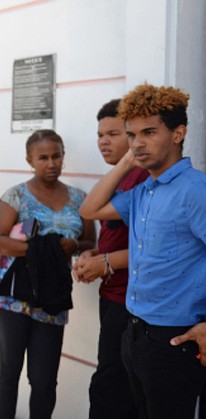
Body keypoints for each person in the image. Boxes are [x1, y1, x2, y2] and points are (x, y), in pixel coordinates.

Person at [80, 83, 206, 419]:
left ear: (178, 133)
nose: (138, 143)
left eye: (149, 132)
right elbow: (90, 210)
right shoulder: (144, 190)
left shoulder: (196, 190)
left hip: (175, 338)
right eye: (132, 135)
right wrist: (124, 164)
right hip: (135, 331)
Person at [0, 129, 95, 419]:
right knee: (9, 369)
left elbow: (90, 243)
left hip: (52, 295)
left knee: (45, 379)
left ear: (63, 156)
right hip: (10, 294)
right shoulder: (16, 196)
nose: (51, 163)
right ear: (29, 160)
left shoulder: (80, 199)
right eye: (43, 157)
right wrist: (45, 249)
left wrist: (73, 246)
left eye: (56, 156)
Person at [73, 99, 148, 419]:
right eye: (100, 134)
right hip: (113, 295)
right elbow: (91, 212)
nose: (104, 141)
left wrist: (106, 262)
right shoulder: (122, 178)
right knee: (110, 383)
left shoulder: (146, 179)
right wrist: (96, 254)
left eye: (113, 133)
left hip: (133, 301)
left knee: (113, 388)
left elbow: (158, 249)